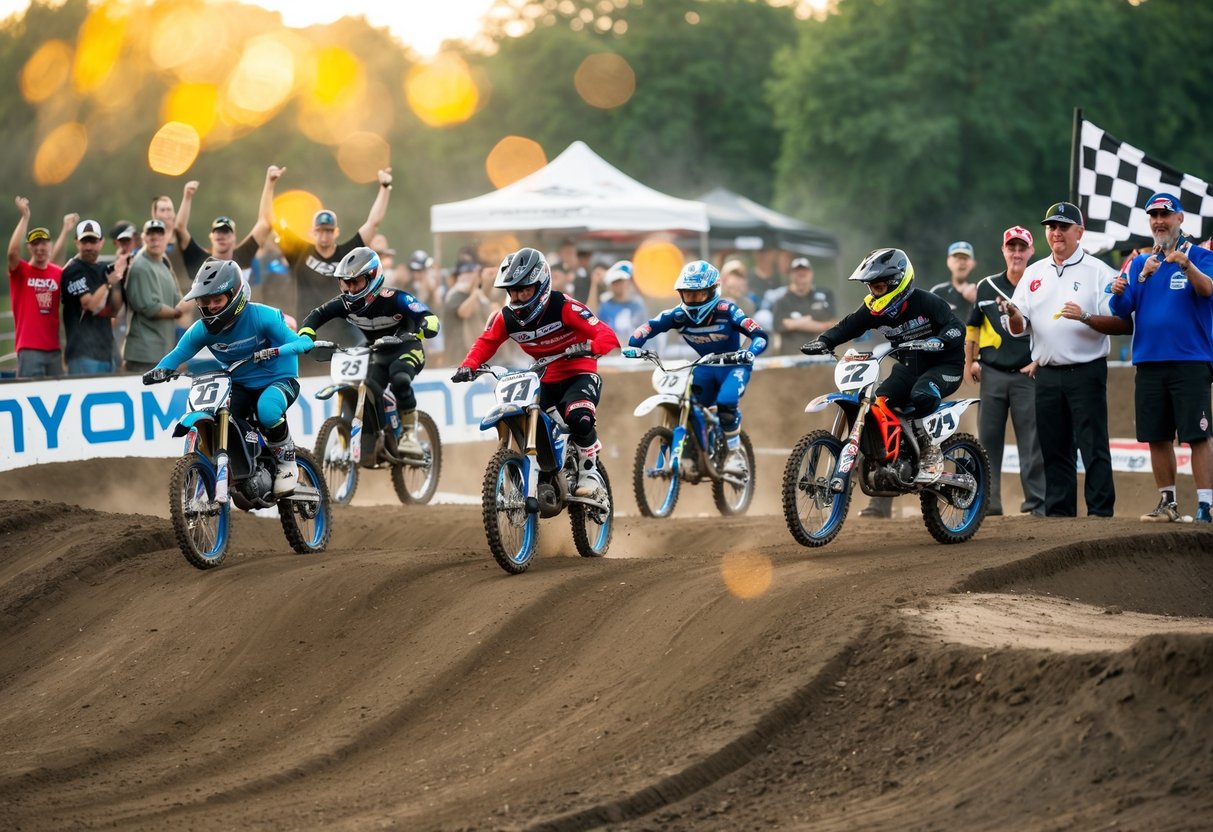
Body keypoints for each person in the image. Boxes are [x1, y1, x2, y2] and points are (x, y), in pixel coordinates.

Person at [452, 248, 620, 496]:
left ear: (541, 285)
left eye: (525, 289)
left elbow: (606, 334)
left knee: (578, 418)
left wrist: (592, 346)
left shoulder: (564, 306)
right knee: (530, 419)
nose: (519, 296)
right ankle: (539, 474)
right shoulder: (506, 317)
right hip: (545, 376)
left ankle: (589, 472)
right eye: (514, 290)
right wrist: (468, 365)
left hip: (579, 371)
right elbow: (486, 342)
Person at [142, 259, 314, 495]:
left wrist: (276, 350)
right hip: (240, 382)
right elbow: (179, 353)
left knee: (267, 410)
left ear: (235, 296)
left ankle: (286, 462)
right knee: (227, 418)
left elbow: (302, 343)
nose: (211, 306)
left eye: (217, 299)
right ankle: (244, 467)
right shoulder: (201, 330)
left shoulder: (263, 316)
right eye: (205, 301)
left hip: (279, 378)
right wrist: (160, 370)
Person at [1001, 201, 1127, 517]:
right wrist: (1014, 314)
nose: (1056, 233)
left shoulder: (1099, 271)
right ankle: (1059, 514)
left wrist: (1085, 317)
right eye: (1051, 227)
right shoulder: (1033, 273)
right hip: (1047, 372)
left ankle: (1100, 512)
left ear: (1079, 232)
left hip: (1086, 370)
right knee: (1054, 447)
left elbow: (1124, 323)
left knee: (1092, 444)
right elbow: (1018, 328)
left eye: (1063, 227)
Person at [801, 248, 965, 484]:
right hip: (909, 366)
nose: (874, 294)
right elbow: (848, 326)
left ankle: (929, 451)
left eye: (878, 287)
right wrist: (824, 341)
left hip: (944, 366)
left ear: (896, 282)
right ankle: (892, 462)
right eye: (871, 288)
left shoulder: (926, 302)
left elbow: (957, 327)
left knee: (921, 394)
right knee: (880, 403)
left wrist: (939, 340)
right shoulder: (873, 309)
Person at [1108, 193, 1213, 524]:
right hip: (1149, 361)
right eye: (1153, 215)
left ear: (1180, 218)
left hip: (1191, 360)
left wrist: (1186, 264)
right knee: (1157, 435)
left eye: (1165, 214)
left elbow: (1207, 289)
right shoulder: (1140, 262)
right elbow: (1121, 310)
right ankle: (1167, 503)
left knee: (1197, 434)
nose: (1159, 221)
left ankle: (1206, 506)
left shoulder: (1199, 254)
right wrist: (1124, 286)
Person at [626, 260, 769, 476]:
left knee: (726, 402)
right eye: (688, 294)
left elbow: (759, 334)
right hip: (705, 365)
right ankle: (689, 453)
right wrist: (634, 346)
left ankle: (734, 454)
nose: (693, 300)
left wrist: (750, 352)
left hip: (734, 365)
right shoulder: (678, 315)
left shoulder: (728, 310)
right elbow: (650, 326)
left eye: (699, 294)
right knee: (687, 403)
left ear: (713, 291)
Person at [299, 246, 440, 460]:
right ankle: (376, 436)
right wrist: (306, 334)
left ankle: (410, 435)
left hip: (406, 348)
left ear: (372, 278)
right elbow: (317, 315)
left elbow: (426, 315)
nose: (350, 289)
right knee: (368, 388)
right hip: (377, 352)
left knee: (400, 378)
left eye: (355, 282)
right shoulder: (344, 303)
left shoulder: (395, 298)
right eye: (346, 283)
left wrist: (427, 324)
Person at [964, 226, 1045, 516]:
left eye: (1022, 248)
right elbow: (972, 326)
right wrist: (969, 361)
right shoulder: (986, 286)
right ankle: (988, 503)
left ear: (1031, 252)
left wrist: (1040, 360)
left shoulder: (1039, 282)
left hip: (1027, 374)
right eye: (1012, 248)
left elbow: (1049, 325)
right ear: (1003, 251)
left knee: (1031, 442)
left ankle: (1036, 504)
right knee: (987, 442)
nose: (1017, 253)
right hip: (993, 372)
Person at [278, 166, 393, 340]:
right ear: (312, 232)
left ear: (336, 232)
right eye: (321, 231)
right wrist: (270, 183)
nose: (325, 235)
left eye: (329, 231)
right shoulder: (299, 252)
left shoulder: (348, 254)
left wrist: (385, 188)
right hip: (310, 328)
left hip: (345, 329)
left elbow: (373, 223)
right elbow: (270, 221)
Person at [175, 165, 281, 279]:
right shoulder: (200, 260)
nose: (222, 236)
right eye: (218, 231)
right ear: (211, 237)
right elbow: (180, 228)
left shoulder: (241, 256)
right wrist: (187, 197)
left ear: (234, 237)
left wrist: (270, 183)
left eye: (226, 232)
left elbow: (265, 223)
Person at [61, 219, 127, 375]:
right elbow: (89, 305)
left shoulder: (105, 269)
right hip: (82, 354)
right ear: (77, 242)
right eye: (85, 241)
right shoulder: (72, 270)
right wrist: (108, 283)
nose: (89, 246)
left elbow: (115, 310)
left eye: (93, 241)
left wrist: (118, 281)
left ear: (101, 242)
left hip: (106, 352)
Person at [7, 198, 63, 377]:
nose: (40, 248)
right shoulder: (21, 271)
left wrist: (66, 229)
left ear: (50, 245)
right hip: (29, 349)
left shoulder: (57, 273)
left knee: (57, 397)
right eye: (35, 243)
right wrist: (25, 217)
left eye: (44, 243)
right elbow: (12, 253)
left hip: (54, 349)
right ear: (29, 247)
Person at [123, 219, 187, 373]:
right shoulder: (140, 266)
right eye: (151, 235)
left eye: (159, 235)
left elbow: (177, 299)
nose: (155, 239)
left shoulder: (163, 264)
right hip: (144, 354)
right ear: (144, 238)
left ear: (166, 238)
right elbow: (151, 308)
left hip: (162, 351)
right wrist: (177, 312)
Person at [771, 257, 837, 355]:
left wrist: (797, 323)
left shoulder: (823, 296)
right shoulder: (782, 300)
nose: (801, 277)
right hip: (791, 356)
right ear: (790, 275)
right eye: (798, 273)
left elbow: (833, 324)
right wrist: (818, 324)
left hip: (820, 354)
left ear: (811, 274)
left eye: (804, 273)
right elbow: (781, 325)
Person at [441, 261, 490, 363]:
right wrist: (476, 290)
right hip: (456, 355)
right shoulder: (455, 295)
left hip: (472, 354)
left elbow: (488, 313)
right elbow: (464, 313)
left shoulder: (473, 295)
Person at [596, 260, 648, 344]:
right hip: (611, 351)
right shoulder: (605, 305)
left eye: (621, 281)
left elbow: (643, 331)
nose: (619, 285)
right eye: (615, 282)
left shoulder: (637, 304)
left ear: (627, 282)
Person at [930, 241, 978, 323]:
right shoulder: (938, 292)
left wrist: (977, 300)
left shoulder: (980, 292)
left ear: (973, 263)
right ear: (948, 261)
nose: (962, 262)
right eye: (958, 258)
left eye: (965, 258)